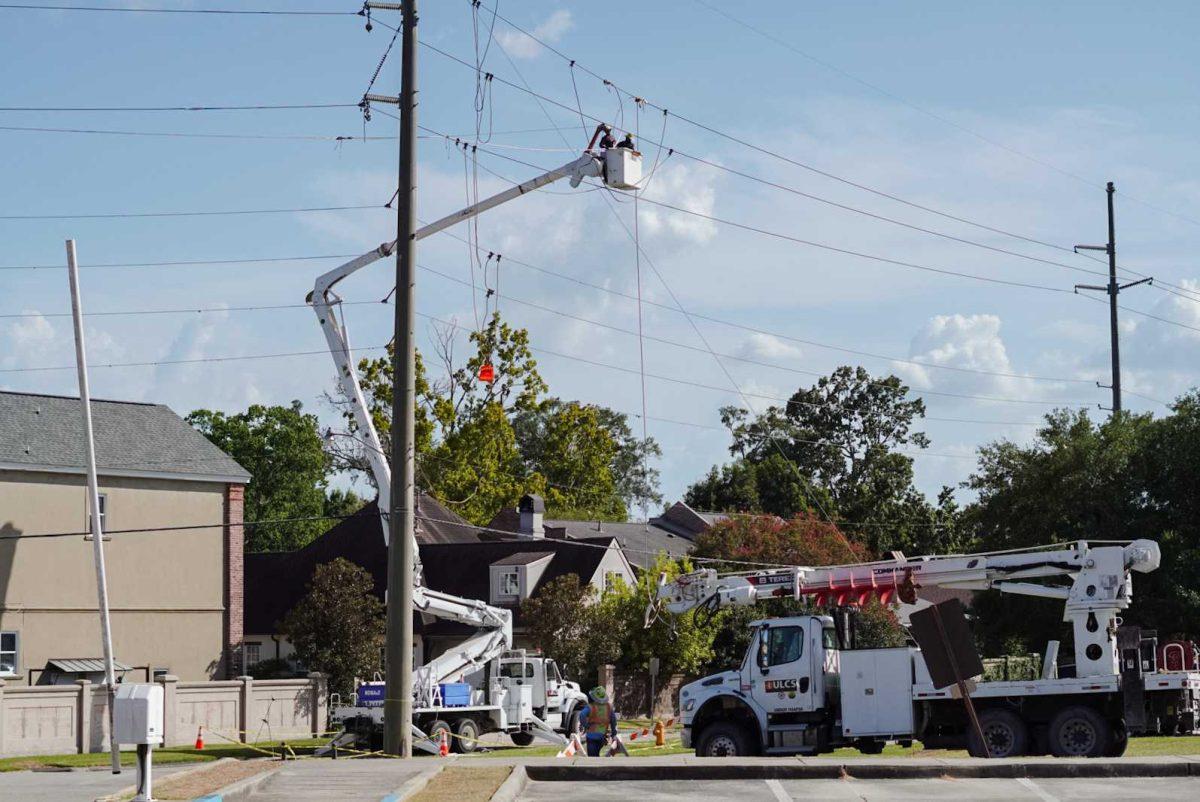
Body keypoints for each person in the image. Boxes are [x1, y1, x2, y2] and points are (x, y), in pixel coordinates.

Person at [577, 686, 618, 757]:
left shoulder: (590, 706)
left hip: (591, 736)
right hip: (602, 736)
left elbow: (582, 715)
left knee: (592, 758)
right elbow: (613, 721)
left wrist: (585, 725)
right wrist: (613, 733)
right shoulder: (609, 707)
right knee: (597, 756)